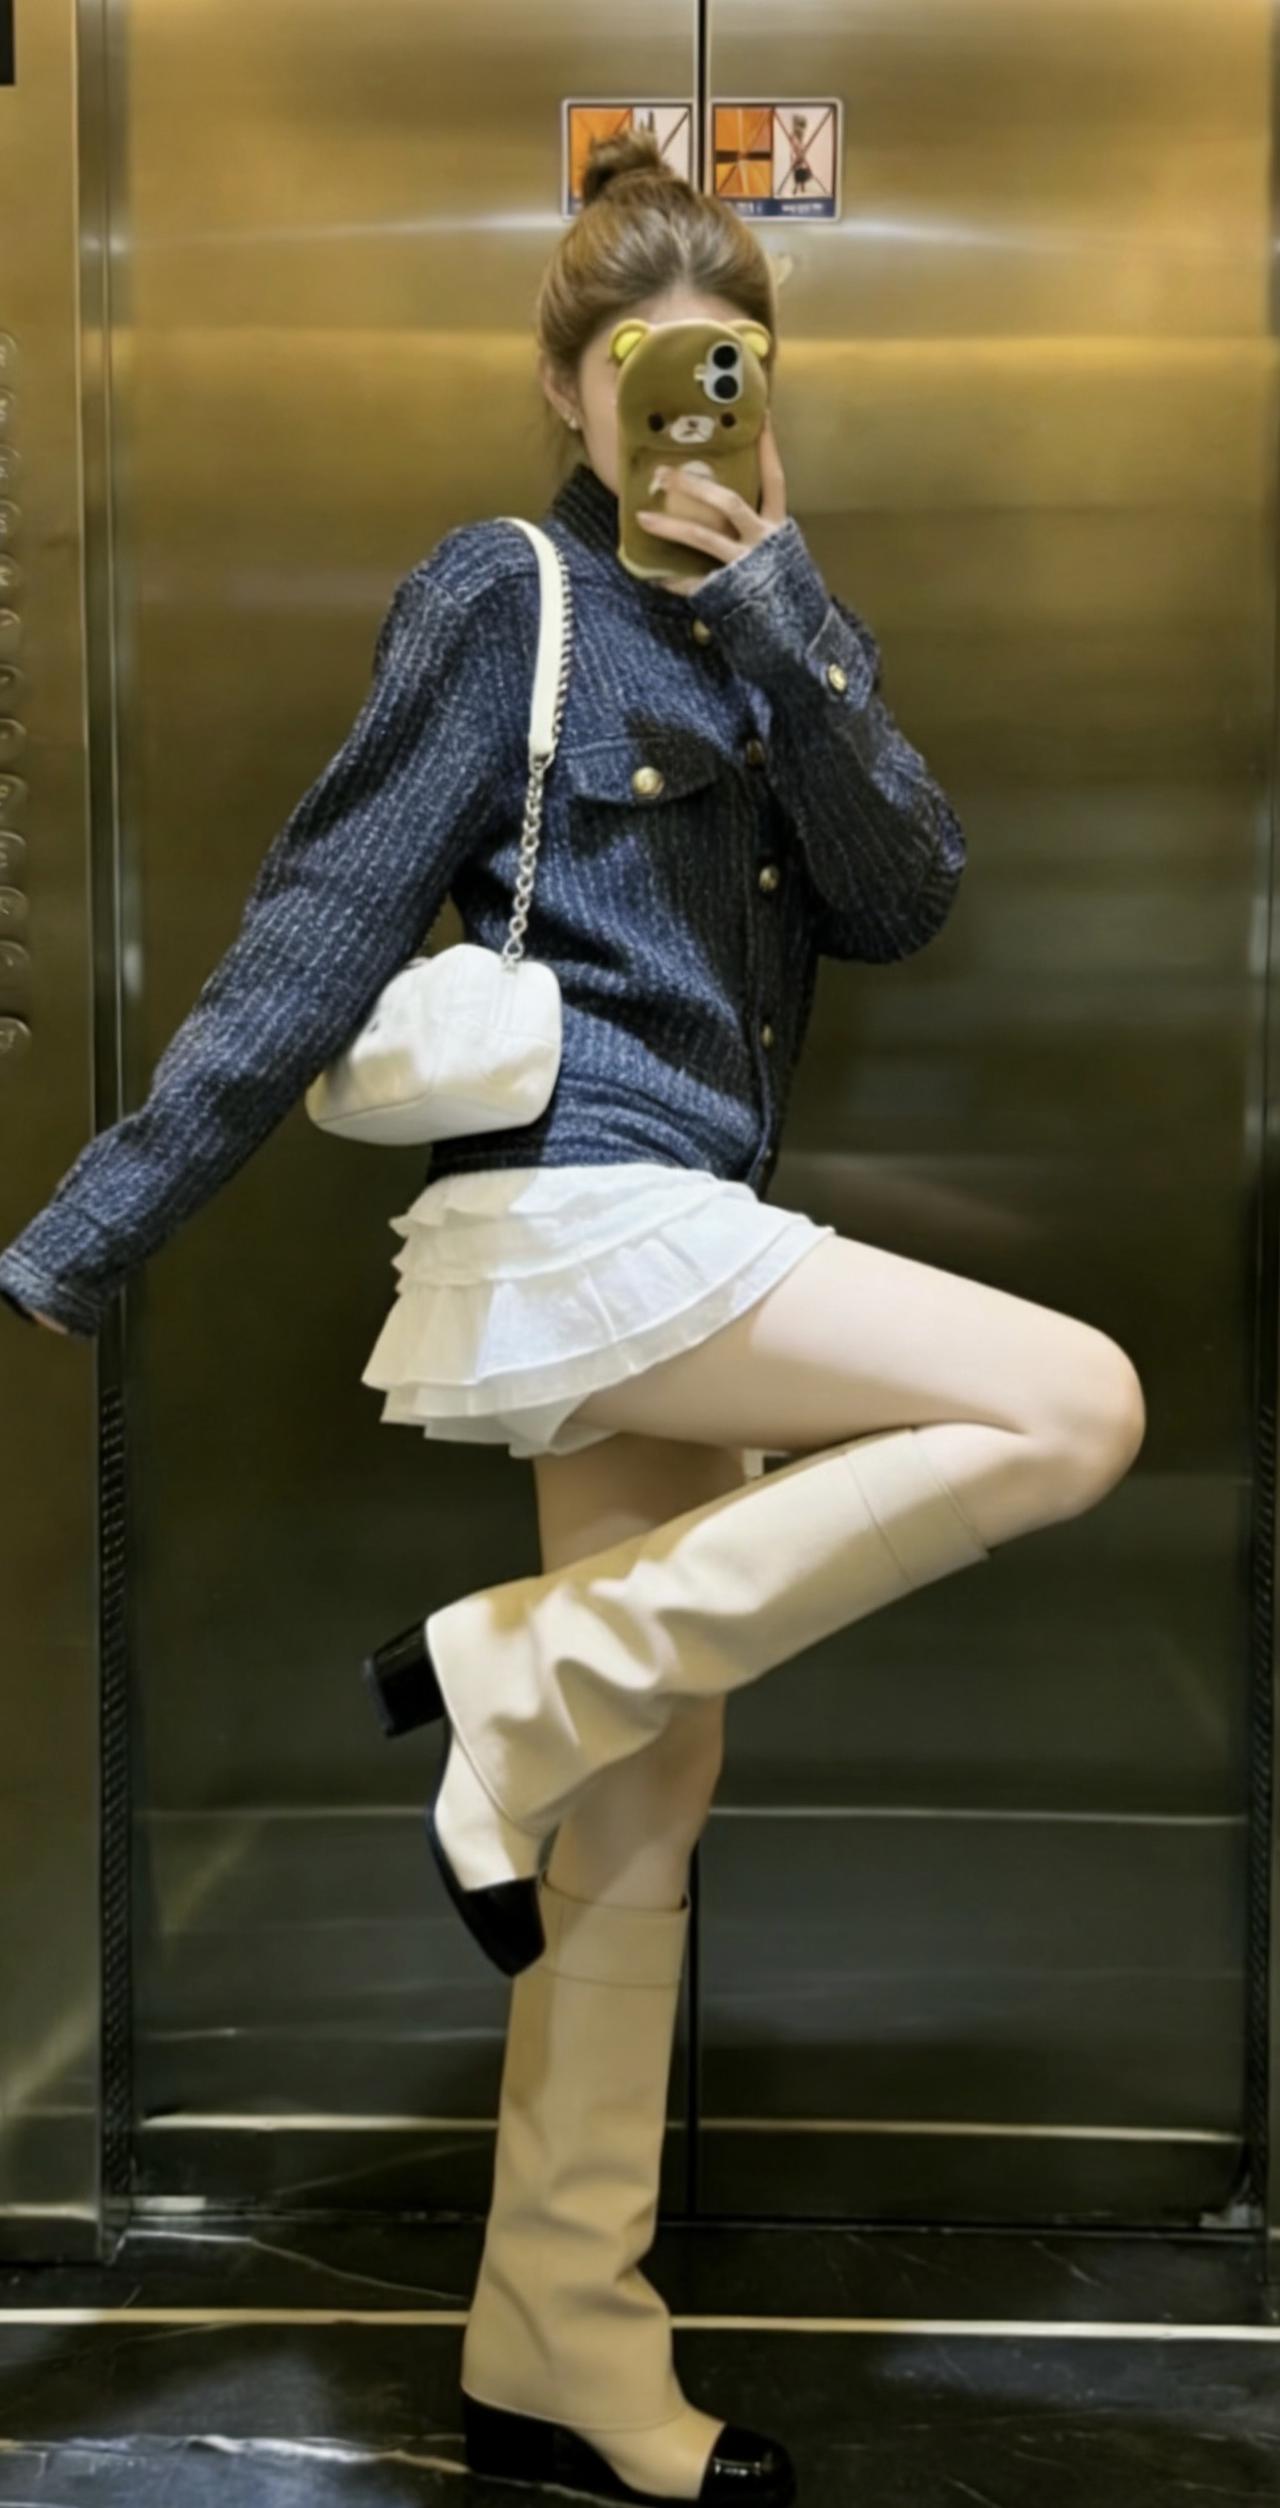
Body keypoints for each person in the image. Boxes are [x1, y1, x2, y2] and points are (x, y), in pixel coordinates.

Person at [0, 126, 1146, 2508]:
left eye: (727, 367)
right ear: (564, 382)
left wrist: (784, 607)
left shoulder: (771, 622)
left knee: (647, 1796)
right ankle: (513, 1675)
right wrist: (87, 1234)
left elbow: (905, 892)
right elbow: (315, 933)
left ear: (763, 381)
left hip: (684, 1223)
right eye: (642, 368)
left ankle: (553, 2338)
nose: (683, 411)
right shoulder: (496, 594)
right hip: (578, 1218)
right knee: (1075, 1405)